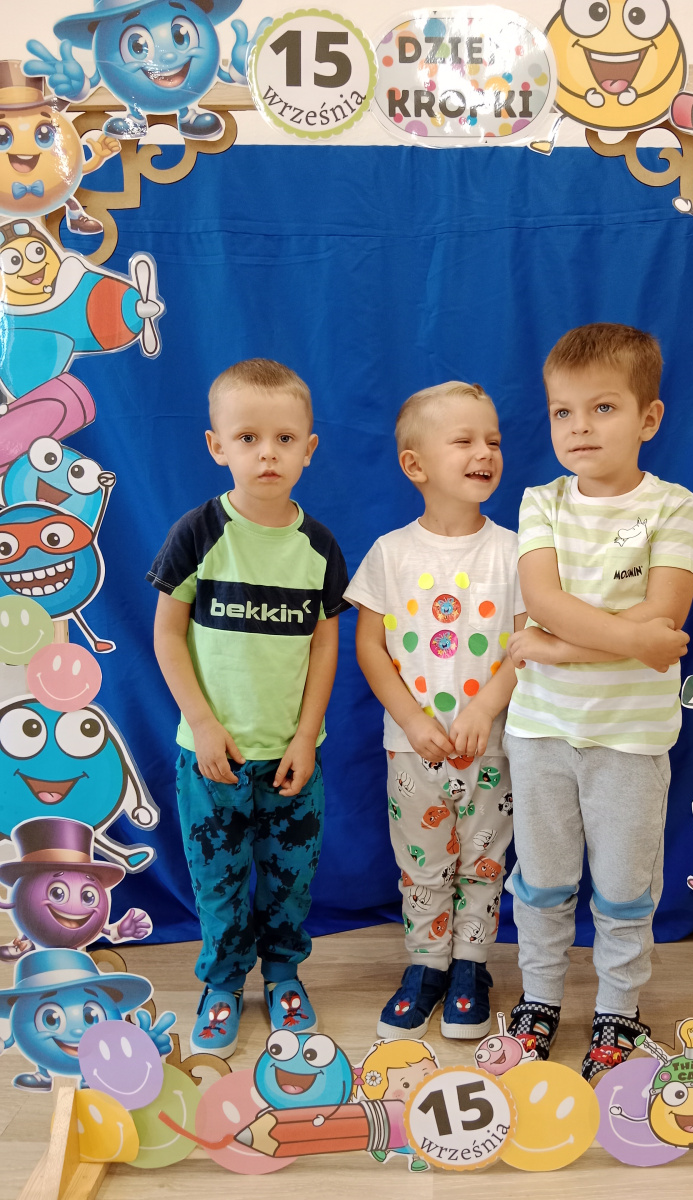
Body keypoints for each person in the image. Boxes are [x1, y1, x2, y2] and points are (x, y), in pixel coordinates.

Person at [503, 324, 693, 1082]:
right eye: (563, 412)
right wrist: (628, 640)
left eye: (603, 408)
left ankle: (619, 1009)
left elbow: (665, 622)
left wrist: (557, 648)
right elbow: (544, 599)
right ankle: (540, 1001)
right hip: (541, 733)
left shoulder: (673, 506)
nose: (579, 427)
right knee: (543, 883)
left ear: (648, 419)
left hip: (630, 739)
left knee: (624, 890)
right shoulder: (542, 501)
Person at [148, 358, 348, 1057]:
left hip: (291, 757)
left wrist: (305, 737)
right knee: (220, 883)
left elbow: (325, 646)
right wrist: (203, 724)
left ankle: (284, 974)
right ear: (217, 446)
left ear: (308, 449)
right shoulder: (199, 532)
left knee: (290, 881)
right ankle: (224, 983)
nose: (268, 453)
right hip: (214, 760)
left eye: (285, 439)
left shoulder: (318, 546)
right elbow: (166, 636)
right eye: (248, 438)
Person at [346, 382, 525, 1041]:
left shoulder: (515, 551)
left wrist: (484, 707)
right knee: (422, 863)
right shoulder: (390, 553)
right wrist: (413, 720)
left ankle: (471, 966)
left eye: (493, 440)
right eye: (465, 440)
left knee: (484, 859)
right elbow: (369, 647)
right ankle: (427, 964)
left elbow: (528, 643)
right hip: (412, 748)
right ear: (415, 464)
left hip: (491, 746)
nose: (485, 452)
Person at [354, 1038, 438, 1171]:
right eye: (405, 1085)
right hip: (393, 1130)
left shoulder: (431, 1101)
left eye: (426, 1075)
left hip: (420, 1132)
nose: (417, 1086)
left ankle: (416, 1158)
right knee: (389, 1132)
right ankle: (384, 1149)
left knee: (418, 1139)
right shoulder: (389, 1108)